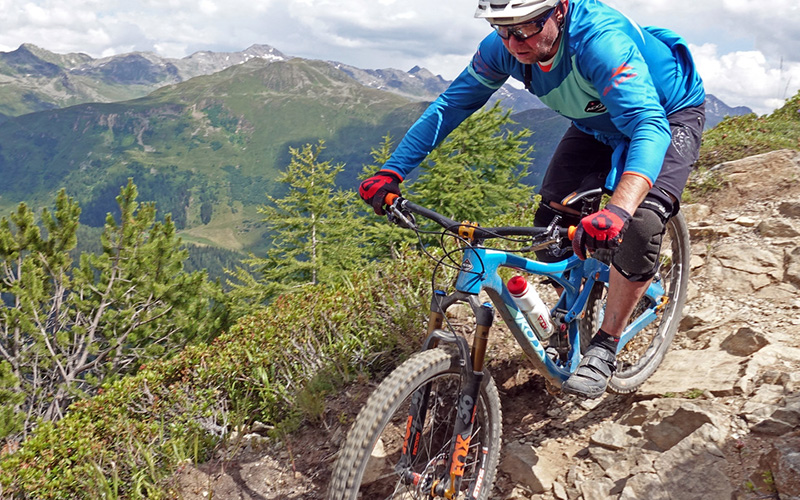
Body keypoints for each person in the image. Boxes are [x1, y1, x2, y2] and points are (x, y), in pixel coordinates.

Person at [358, 0, 705, 399]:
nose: (514, 42)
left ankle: (606, 345)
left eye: (525, 29)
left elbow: (648, 125)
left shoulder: (600, 43)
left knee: (640, 222)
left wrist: (618, 210)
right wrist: (392, 172)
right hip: (595, 123)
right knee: (553, 224)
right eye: (501, 29)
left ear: (559, 10)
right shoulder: (502, 47)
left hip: (666, 113)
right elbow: (451, 105)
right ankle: (576, 305)